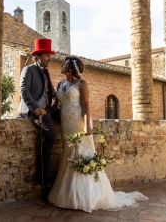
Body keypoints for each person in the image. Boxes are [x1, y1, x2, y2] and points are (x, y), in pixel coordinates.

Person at [48, 56, 148, 212]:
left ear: (72, 68)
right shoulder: (61, 83)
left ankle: (86, 196)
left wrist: (87, 126)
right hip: (65, 124)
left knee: (81, 154)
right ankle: (68, 192)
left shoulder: (81, 84)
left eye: (65, 64)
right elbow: (56, 105)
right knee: (69, 154)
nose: (61, 65)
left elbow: (86, 105)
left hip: (79, 123)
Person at [18, 38, 57, 203]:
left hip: (47, 109)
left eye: (49, 55)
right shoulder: (29, 70)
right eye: (47, 55)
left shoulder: (45, 71)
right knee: (50, 136)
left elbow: (50, 90)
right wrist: (35, 108)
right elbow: (24, 91)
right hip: (34, 111)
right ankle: (42, 178)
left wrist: (57, 97)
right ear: (39, 56)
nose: (49, 58)